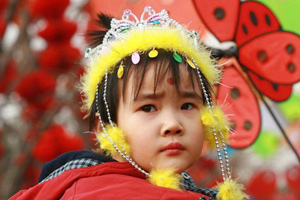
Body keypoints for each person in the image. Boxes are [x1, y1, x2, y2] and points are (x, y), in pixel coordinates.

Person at [9, 6, 248, 200]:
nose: (172, 124)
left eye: (187, 105)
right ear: (106, 128)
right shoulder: (97, 194)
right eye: (148, 107)